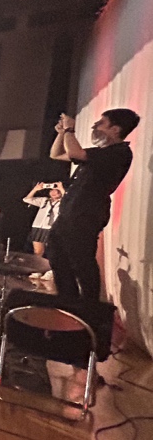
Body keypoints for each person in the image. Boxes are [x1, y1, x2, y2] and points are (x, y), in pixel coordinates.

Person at [48, 108, 140, 301]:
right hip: (70, 214)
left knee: (82, 263)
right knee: (58, 259)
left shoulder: (120, 153)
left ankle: (89, 308)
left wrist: (70, 130)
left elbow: (74, 153)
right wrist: (62, 133)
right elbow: (57, 154)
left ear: (115, 129)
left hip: (86, 214)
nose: (95, 126)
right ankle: (67, 303)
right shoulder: (101, 153)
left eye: (101, 123)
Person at [22, 180, 63, 279]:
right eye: (52, 190)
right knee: (37, 251)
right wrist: (35, 189)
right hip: (38, 226)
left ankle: (51, 271)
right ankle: (38, 270)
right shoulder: (44, 200)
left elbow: (68, 200)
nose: (54, 192)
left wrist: (61, 188)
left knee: (52, 251)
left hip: (51, 228)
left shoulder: (64, 202)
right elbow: (26, 199)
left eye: (57, 191)